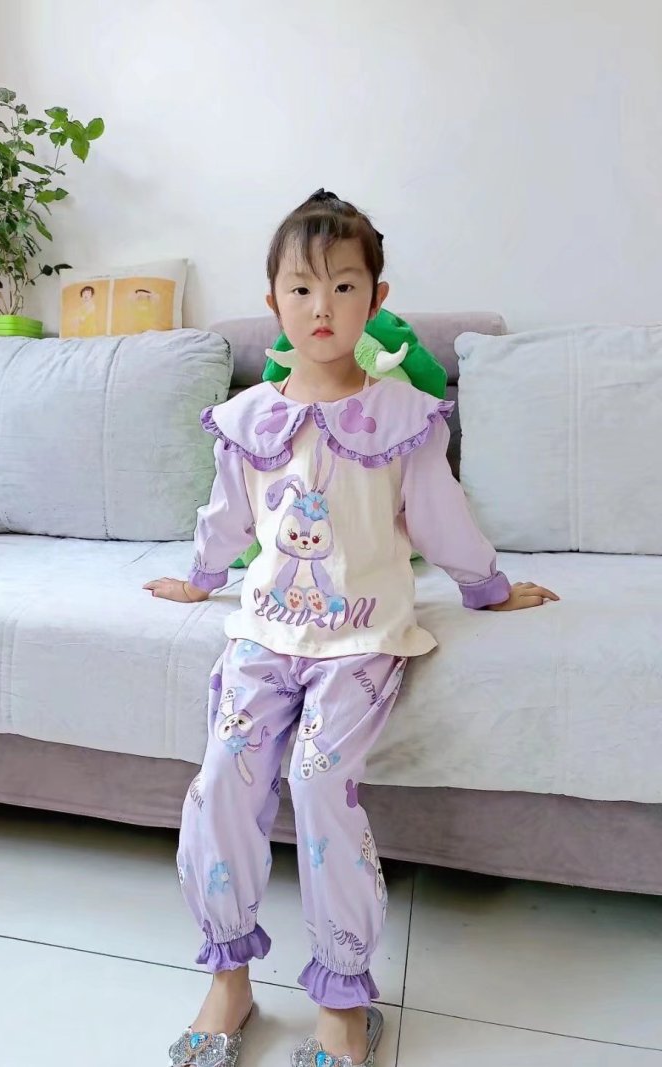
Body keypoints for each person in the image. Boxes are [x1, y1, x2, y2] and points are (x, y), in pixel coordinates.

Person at [144, 189, 559, 1067]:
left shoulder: (403, 417)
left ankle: (343, 996)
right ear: (273, 302)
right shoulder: (249, 419)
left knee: (318, 777)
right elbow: (226, 518)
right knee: (222, 777)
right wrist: (200, 579)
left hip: (362, 641)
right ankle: (229, 976)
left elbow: (441, 518)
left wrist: (488, 588)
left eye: (342, 286)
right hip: (264, 634)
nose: (322, 306)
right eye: (301, 288)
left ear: (376, 298)